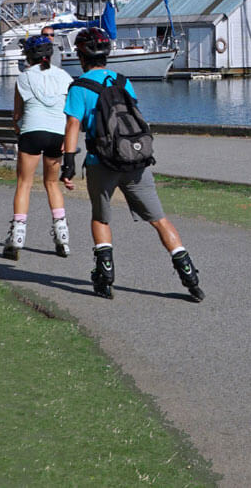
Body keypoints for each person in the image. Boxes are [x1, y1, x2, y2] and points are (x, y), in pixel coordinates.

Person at [58, 28, 204, 302]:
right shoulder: (123, 81)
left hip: (100, 162)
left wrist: (68, 163)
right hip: (134, 159)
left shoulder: (79, 88)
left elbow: (73, 125)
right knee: (159, 220)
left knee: (101, 217)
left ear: (81, 55)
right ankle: (189, 275)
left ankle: (105, 276)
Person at [5, 35, 75, 260]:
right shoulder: (64, 76)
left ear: (28, 56)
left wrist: (17, 128)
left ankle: (17, 236)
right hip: (57, 133)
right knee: (52, 184)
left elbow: (17, 114)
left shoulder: (23, 78)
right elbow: (69, 111)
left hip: (32, 132)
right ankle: (62, 237)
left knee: (24, 183)